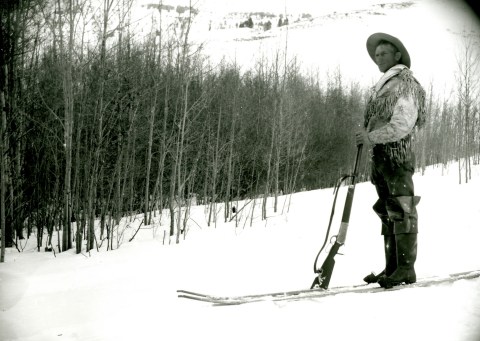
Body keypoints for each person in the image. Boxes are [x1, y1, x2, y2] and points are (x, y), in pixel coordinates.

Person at [355, 33, 426, 289]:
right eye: (376, 55)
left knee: (402, 209)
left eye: (383, 53)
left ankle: (406, 269)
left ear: (397, 55)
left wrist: (370, 136)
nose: (378, 58)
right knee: (388, 211)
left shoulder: (405, 83)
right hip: (382, 159)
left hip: (397, 157)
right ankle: (392, 267)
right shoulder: (383, 85)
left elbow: (402, 125)